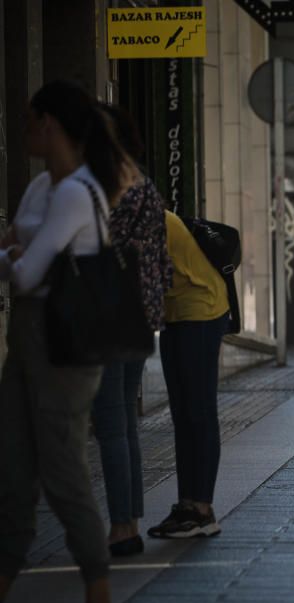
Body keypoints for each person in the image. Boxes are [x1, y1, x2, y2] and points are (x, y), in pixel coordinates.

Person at [0, 80, 134, 603]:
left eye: (30, 121)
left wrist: (11, 255)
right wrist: (15, 255)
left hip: (63, 350)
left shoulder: (79, 191)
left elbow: (27, 273)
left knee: (64, 476)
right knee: (11, 478)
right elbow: (21, 255)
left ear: (49, 125)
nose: (24, 131)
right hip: (26, 346)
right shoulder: (40, 186)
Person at [91, 104, 171, 558]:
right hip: (140, 313)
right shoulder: (142, 180)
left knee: (112, 424)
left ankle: (122, 526)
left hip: (111, 314)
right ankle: (129, 521)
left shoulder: (110, 188)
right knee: (124, 421)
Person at [146, 210, 230, 539]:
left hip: (202, 309)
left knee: (199, 411)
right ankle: (187, 505)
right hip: (176, 313)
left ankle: (203, 511)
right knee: (183, 414)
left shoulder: (149, 218)